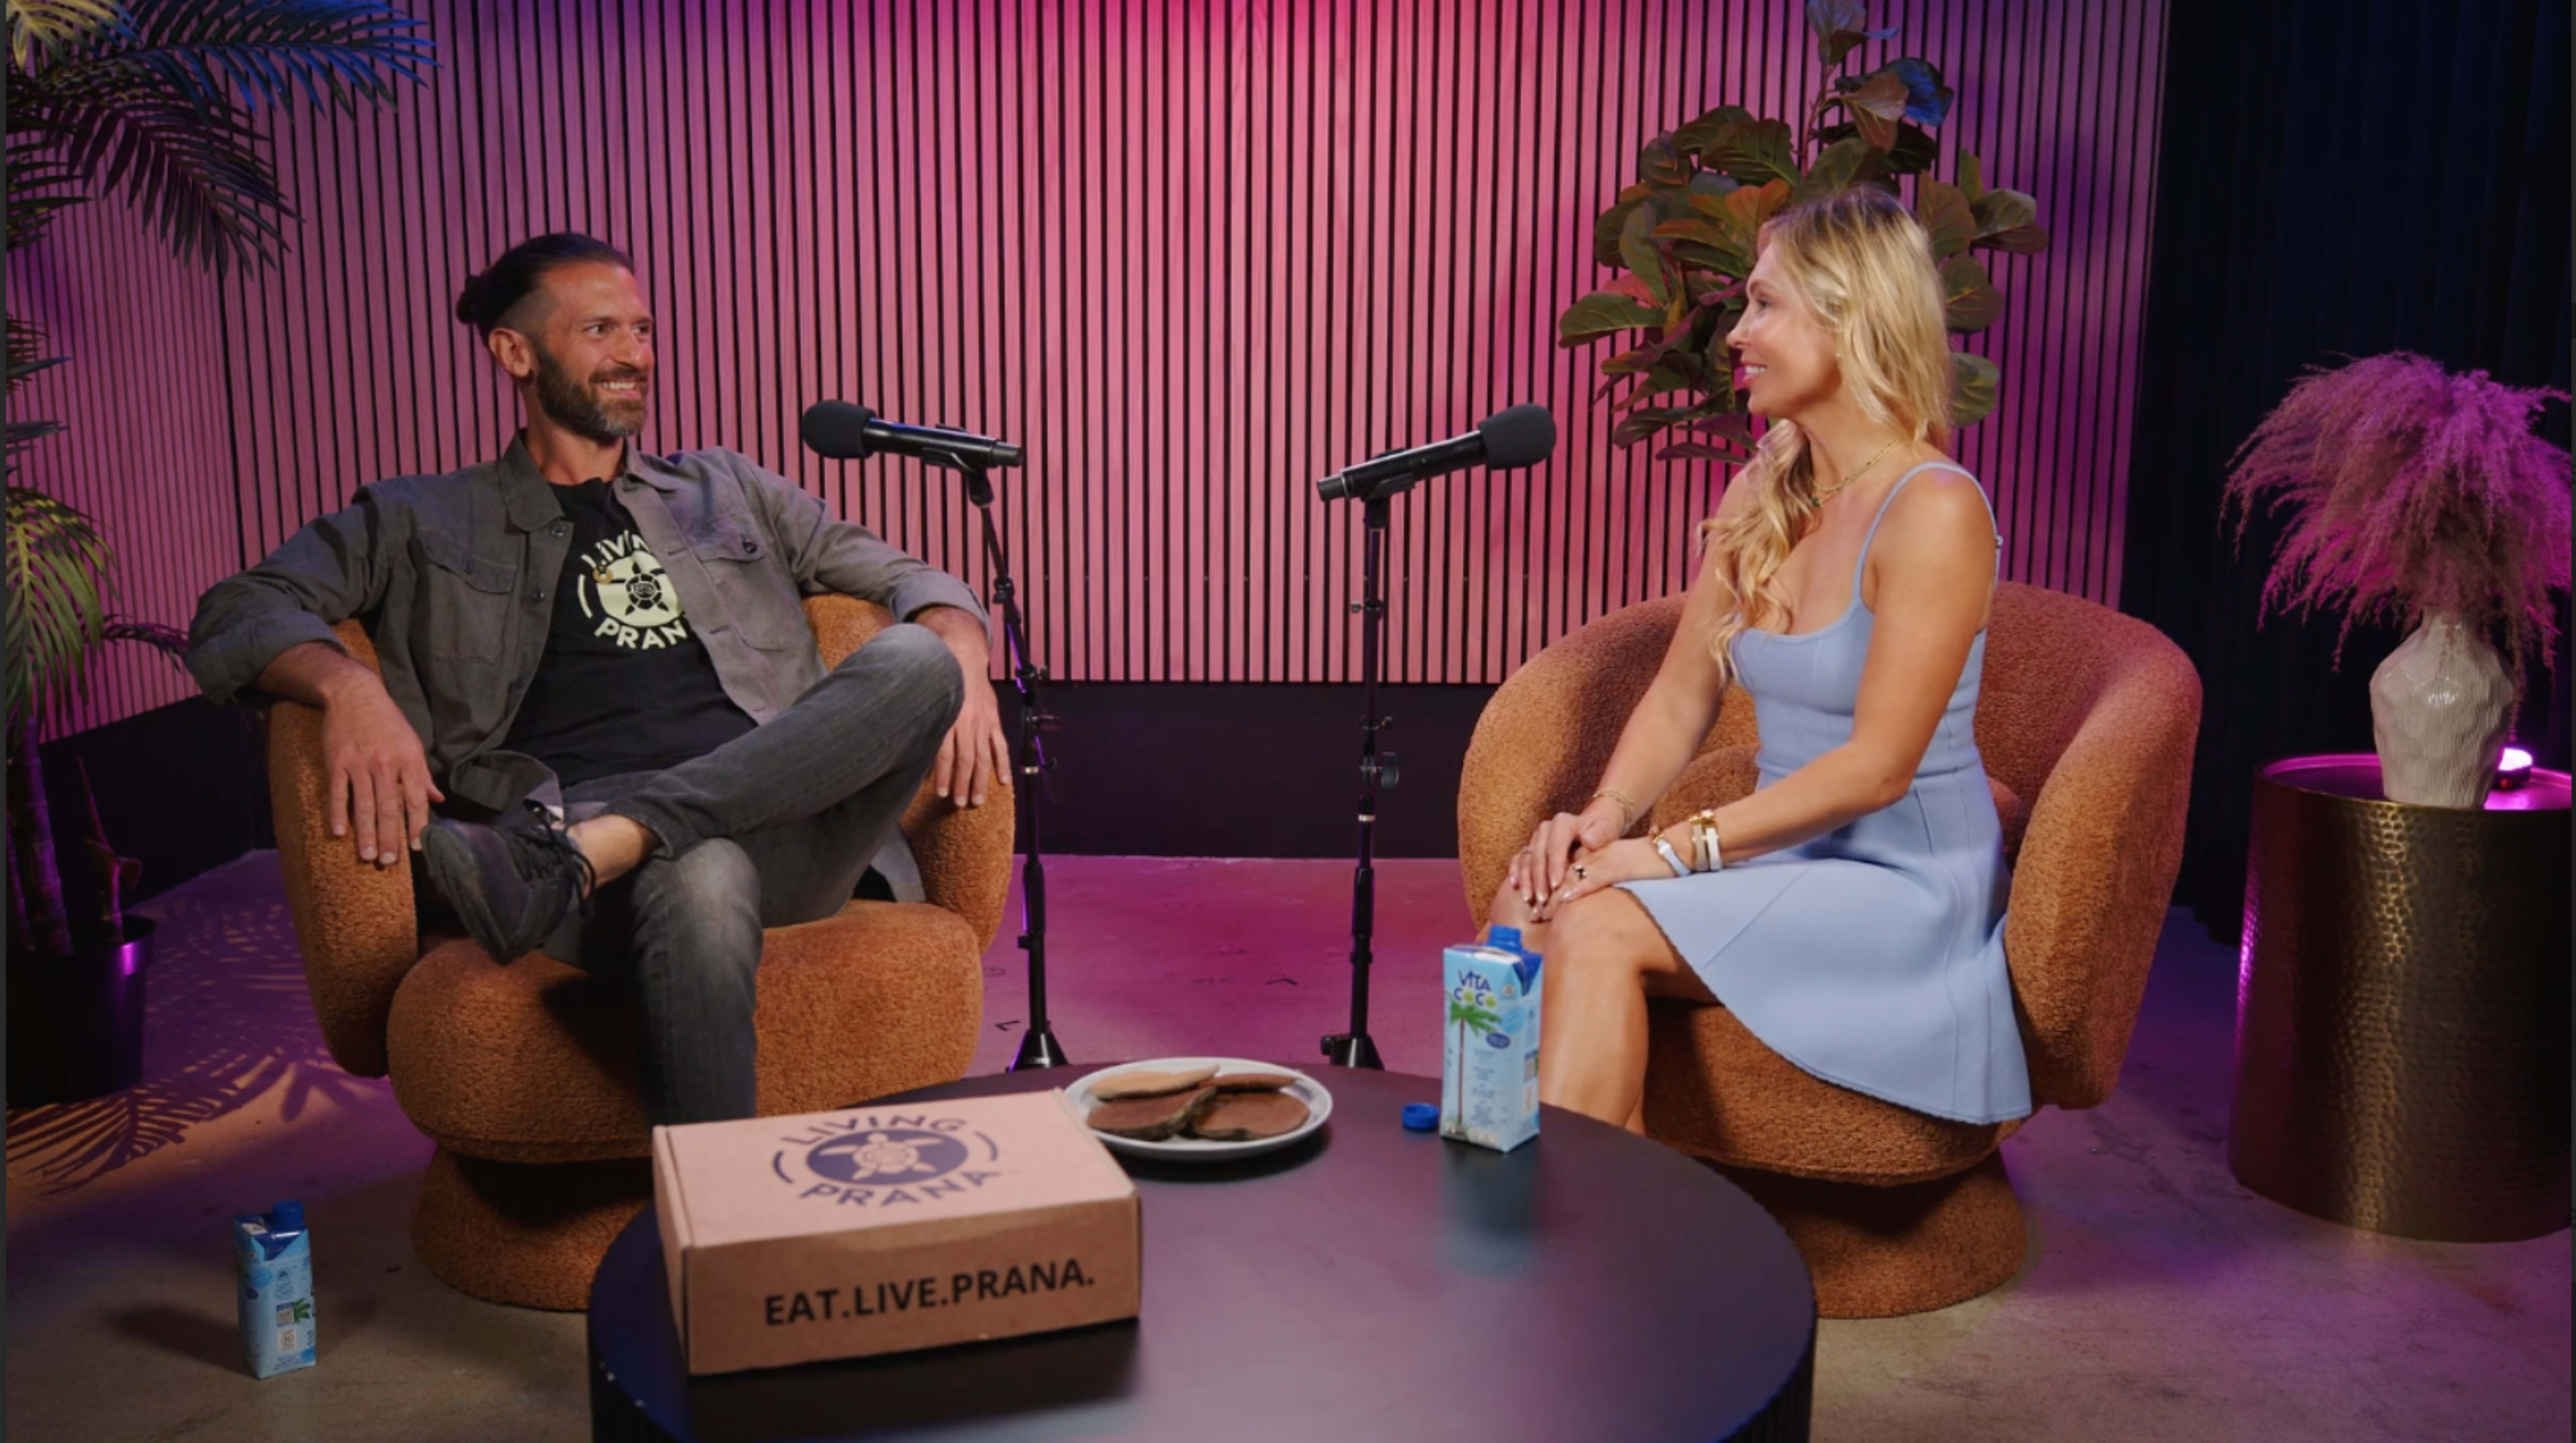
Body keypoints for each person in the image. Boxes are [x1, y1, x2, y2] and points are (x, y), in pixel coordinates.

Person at [187, 233, 1008, 1125]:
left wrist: (963, 647)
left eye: (645, 330)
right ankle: (717, 1239)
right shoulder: (418, 518)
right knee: (699, 876)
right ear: (515, 351)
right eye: (601, 330)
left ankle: (613, 844)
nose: (635, 356)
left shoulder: (726, 488)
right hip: (566, 824)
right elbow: (239, 611)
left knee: (918, 657)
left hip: (780, 822)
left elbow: (909, 577)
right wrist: (346, 688)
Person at [1491, 187, 2031, 1133]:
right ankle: (1495, 1192)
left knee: (1603, 921)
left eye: (1765, 305)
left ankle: (1571, 1261)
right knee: (1529, 898)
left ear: (1850, 316)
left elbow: (1879, 767)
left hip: (1902, 889)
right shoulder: (1765, 489)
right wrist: (1600, 820)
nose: (1736, 335)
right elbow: (1682, 690)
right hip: (1780, 856)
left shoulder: (1936, 508)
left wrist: (1664, 853)